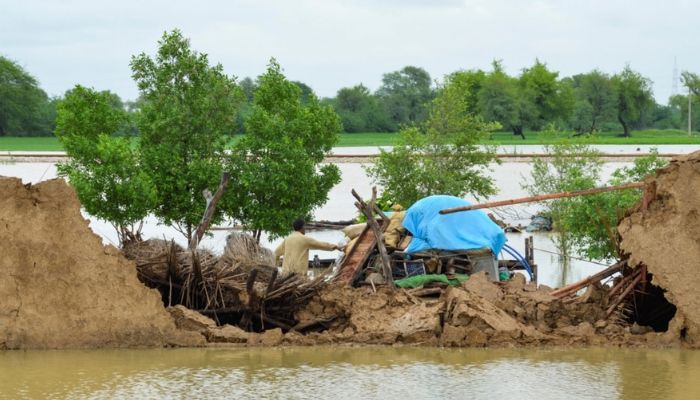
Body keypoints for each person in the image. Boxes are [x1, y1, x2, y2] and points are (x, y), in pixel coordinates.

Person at [274, 218, 344, 276]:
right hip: (298, 274)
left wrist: (276, 267)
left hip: (285, 273)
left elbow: (276, 253)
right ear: (302, 227)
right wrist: (335, 247)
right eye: (304, 227)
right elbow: (321, 245)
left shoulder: (287, 239)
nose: (305, 229)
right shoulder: (305, 239)